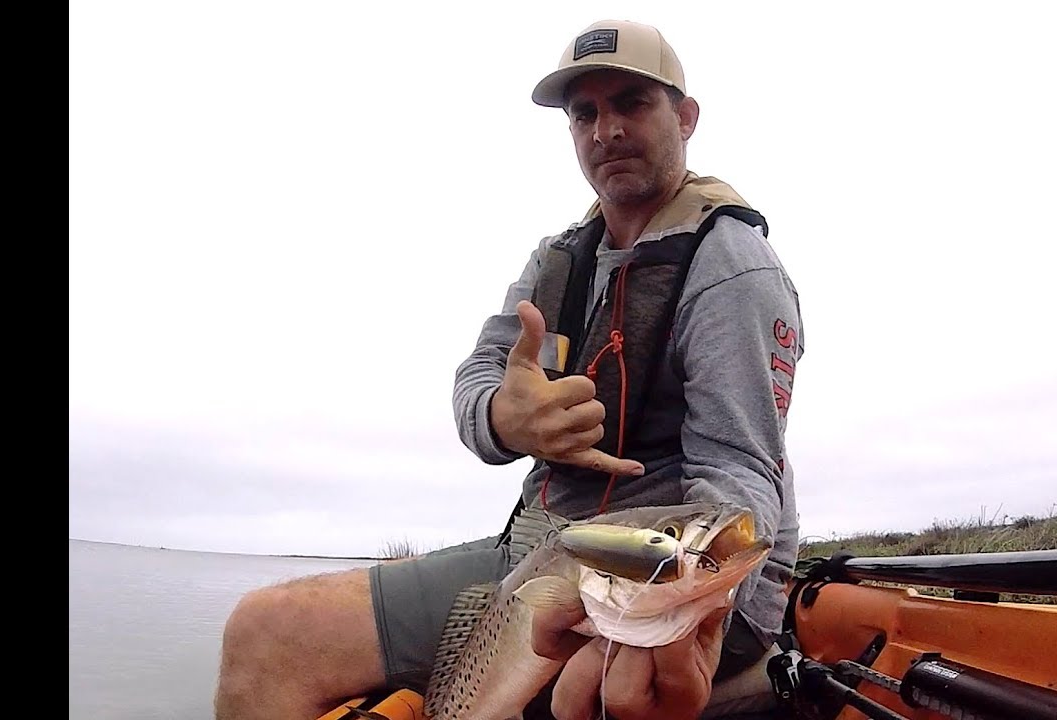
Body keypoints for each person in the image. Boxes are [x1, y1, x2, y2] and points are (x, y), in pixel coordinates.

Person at [214, 18, 804, 720]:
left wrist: (703, 615)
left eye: (631, 103)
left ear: (685, 117)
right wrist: (504, 418)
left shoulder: (734, 268)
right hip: (537, 557)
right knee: (261, 631)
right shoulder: (558, 258)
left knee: (276, 633)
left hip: (657, 582)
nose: (606, 129)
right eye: (584, 113)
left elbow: (741, 472)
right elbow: (477, 374)